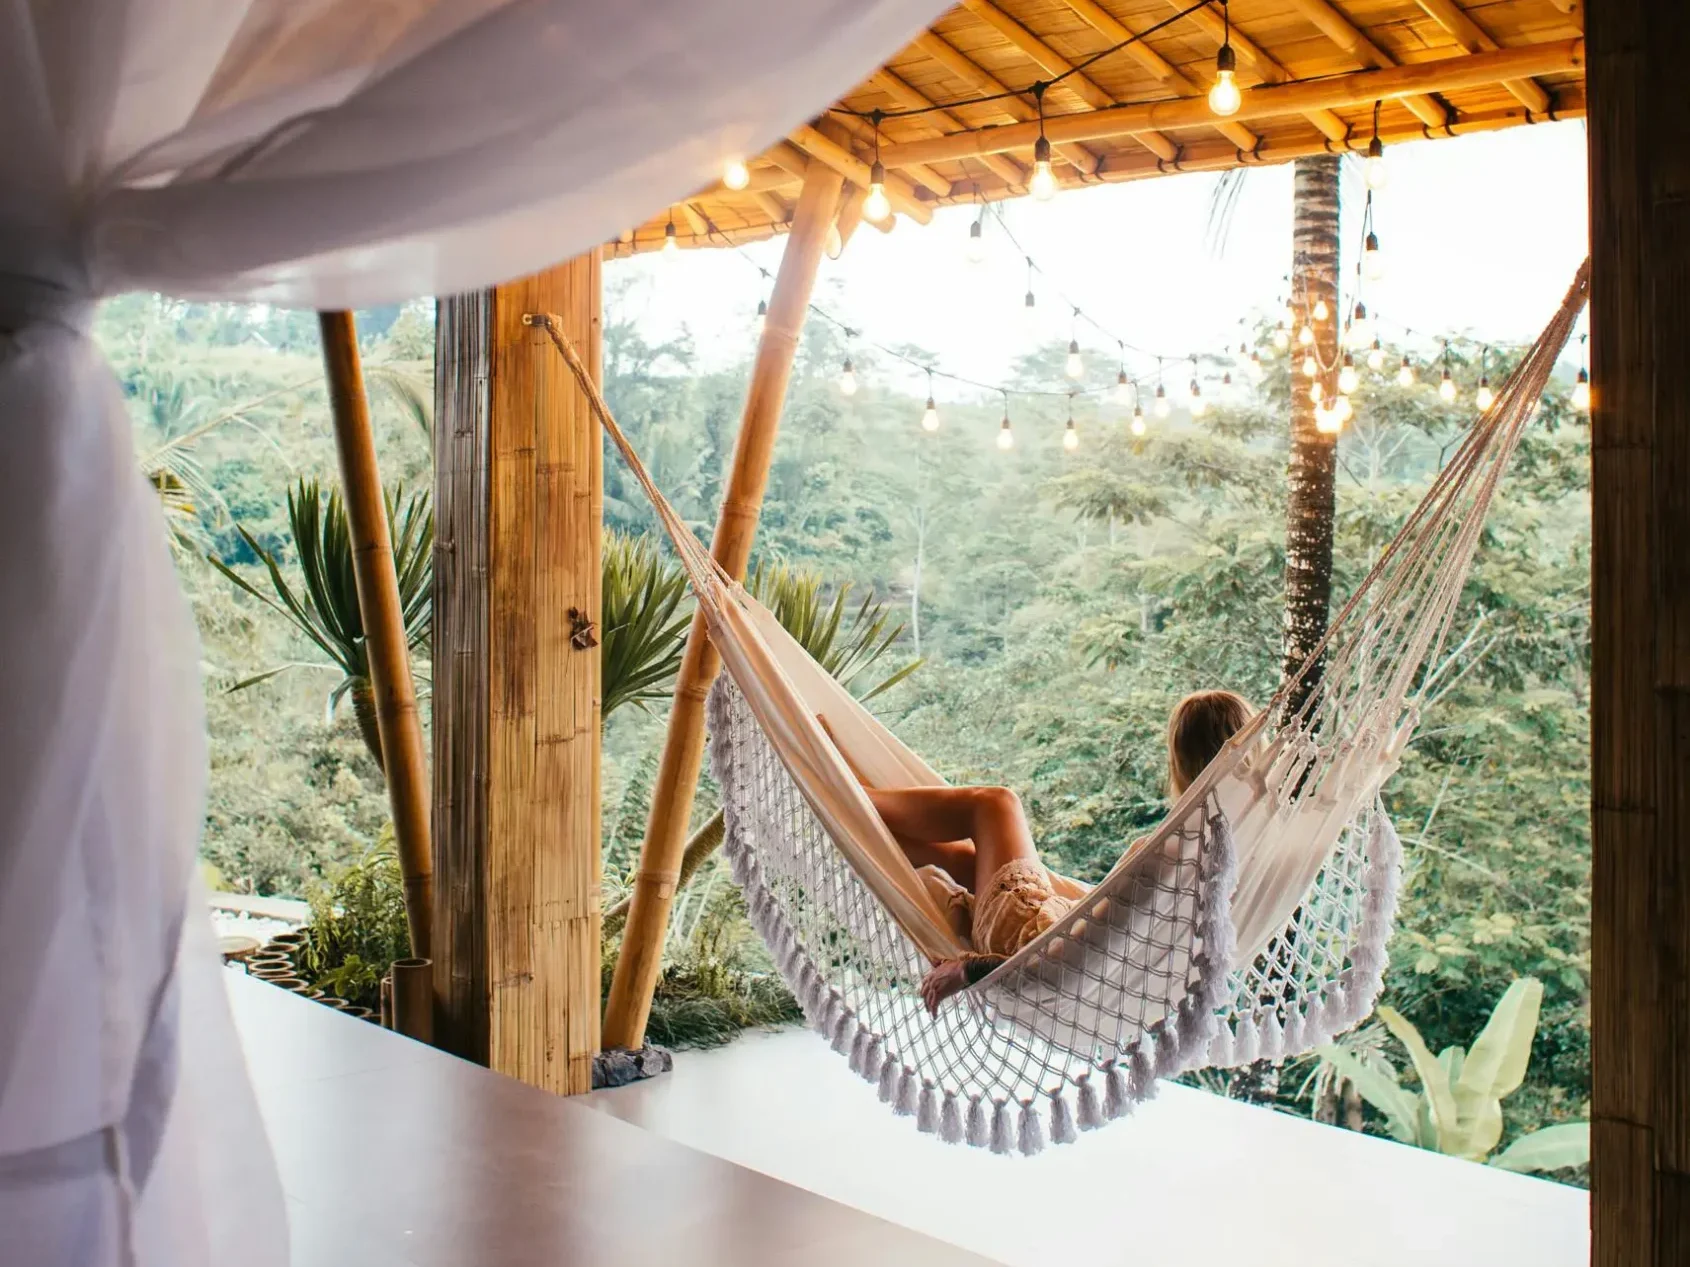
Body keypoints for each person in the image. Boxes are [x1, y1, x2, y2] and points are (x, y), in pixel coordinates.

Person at [835, 689, 1253, 1014]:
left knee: (996, 804)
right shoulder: (1228, 850)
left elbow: (1068, 960)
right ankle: (839, 809)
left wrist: (970, 969)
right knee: (957, 857)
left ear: (1180, 761)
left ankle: (840, 784)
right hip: (1046, 926)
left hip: (1024, 938)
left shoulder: (1167, 854)